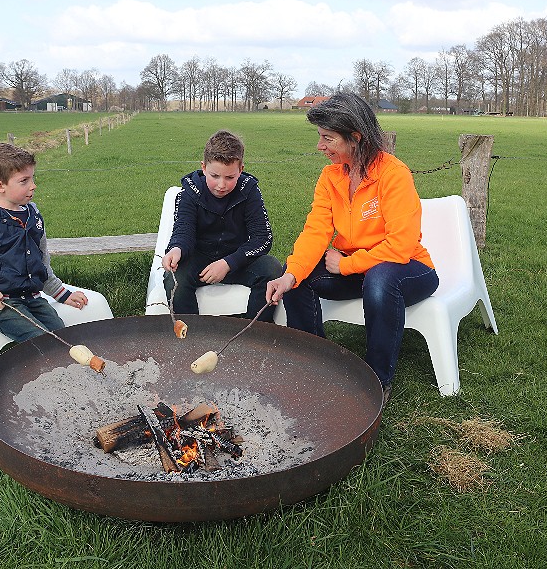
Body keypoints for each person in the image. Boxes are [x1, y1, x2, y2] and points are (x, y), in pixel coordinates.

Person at [265, 93, 439, 403]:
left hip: (409, 270)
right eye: (320, 137)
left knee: (380, 278)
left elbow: (400, 246)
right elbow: (316, 231)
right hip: (361, 267)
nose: (320, 146)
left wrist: (346, 265)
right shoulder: (330, 177)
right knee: (296, 275)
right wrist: (290, 275)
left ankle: (376, 381)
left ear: (355, 138)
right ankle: (315, 365)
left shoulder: (394, 174)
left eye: (328, 138)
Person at [0, 142, 89, 342]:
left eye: (32, 178)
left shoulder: (33, 215)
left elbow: (42, 264)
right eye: (24, 180)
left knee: (62, 337)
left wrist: (62, 294)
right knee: (40, 341)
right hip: (1, 304)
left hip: (34, 299)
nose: (33, 185)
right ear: (0, 186)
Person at [162, 130, 282, 322]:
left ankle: (255, 332)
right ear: (203, 167)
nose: (221, 185)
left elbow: (263, 238)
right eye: (215, 176)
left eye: (230, 177)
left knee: (272, 268)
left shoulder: (249, 190)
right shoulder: (189, 192)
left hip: (238, 260)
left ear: (241, 170)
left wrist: (228, 263)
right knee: (174, 277)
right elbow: (183, 230)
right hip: (199, 260)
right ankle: (191, 335)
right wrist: (176, 249)